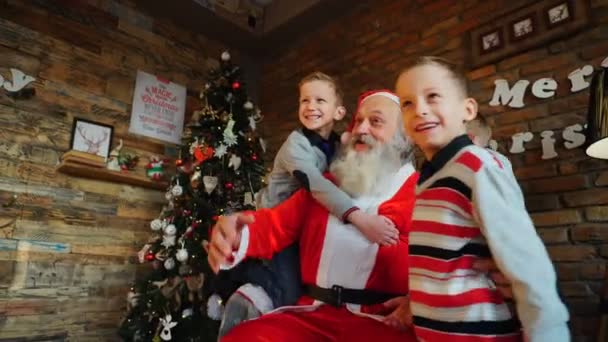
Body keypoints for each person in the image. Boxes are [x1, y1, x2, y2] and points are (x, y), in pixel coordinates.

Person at [209, 90, 420, 342]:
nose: (360, 129)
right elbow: (274, 224)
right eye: (357, 122)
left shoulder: (422, 194)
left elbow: (454, 262)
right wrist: (235, 233)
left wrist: (421, 300)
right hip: (312, 315)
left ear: (403, 136)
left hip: (382, 323)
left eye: (375, 122)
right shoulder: (326, 187)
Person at [395, 56, 570, 342]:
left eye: (433, 96)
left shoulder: (478, 166)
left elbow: (525, 258)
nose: (420, 110)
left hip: (477, 333)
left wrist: (547, 333)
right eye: (408, 103)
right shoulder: (429, 178)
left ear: (468, 109)